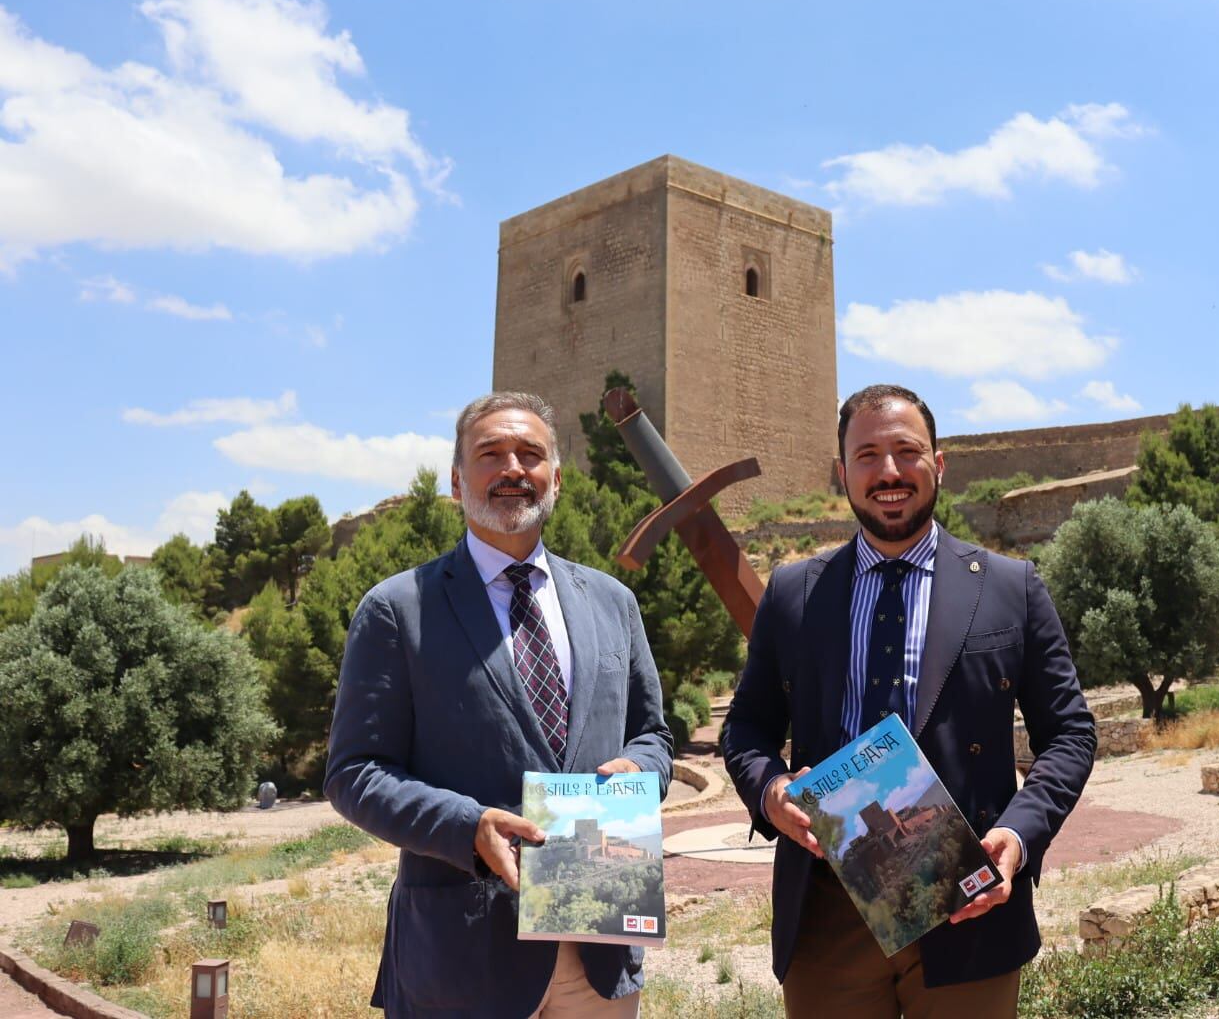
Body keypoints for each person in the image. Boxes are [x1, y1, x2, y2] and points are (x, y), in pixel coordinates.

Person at [721, 384, 1096, 1017]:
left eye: (906, 451)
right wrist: (771, 791)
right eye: (867, 455)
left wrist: (1019, 832)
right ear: (842, 473)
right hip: (827, 913)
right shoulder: (792, 593)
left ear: (938, 464)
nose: (888, 472)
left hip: (968, 904)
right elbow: (747, 729)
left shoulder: (1012, 588)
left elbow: (1070, 733)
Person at [326, 391, 673, 1019]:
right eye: (490, 454)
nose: (513, 468)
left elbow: (652, 734)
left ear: (557, 479)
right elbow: (354, 773)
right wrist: (466, 826)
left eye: (531, 454)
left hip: (599, 951)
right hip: (462, 961)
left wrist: (642, 770)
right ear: (458, 482)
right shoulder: (397, 609)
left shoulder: (613, 602)